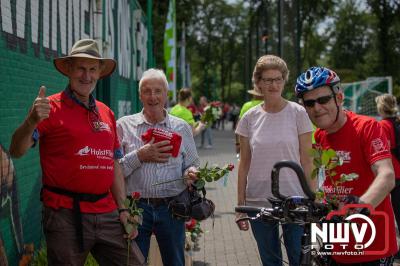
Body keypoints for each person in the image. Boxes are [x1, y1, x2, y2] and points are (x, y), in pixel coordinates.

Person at [8, 39, 144, 265]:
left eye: (92, 69)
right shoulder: (49, 107)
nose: (86, 76)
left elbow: (114, 163)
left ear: (100, 73)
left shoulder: (106, 113)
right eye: (80, 68)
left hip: (106, 211)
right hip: (64, 216)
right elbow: (16, 150)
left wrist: (122, 208)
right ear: (69, 69)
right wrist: (31, 121)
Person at [295, 66, 398, 265]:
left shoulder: (367, 127)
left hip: (373, 245)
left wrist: (361, 205)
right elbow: (317, 178)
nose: (316, 107)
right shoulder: (318, 136)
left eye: (323, 99)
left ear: (339, 98)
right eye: (309, 102)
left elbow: (386, 175)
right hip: (337, 245)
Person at [235, 55, 314, 266]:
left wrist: (315, 198)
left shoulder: (299, 113)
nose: (273, 84)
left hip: (296, 200)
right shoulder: (249, 118)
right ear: (258, 83)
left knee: (299, 257)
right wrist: (240, 206)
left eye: (278, 79)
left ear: (284, 80)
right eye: (268, 80)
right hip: (258, 200)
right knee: (270, 260)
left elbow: (308, 160)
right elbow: (244, 165)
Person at [116, 68, 200, 266]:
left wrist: (191, 173)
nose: (152, 96)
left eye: (158, 91)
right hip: (136, 210)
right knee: (134, 262)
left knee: (175, 262)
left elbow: (192, 163)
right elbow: (115, 171)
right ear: (140, 95)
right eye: (147, 91)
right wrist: (140, 156)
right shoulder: (124, 126)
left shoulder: (181, 127)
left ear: (166, 94)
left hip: (172, 208)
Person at [375, 94, 400, 260]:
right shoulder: (396, 121)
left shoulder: (383, 125)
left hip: (393, 173)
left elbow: (383, 149)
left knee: (392, 212)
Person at [235, 89, 264, 155]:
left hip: (248, 140)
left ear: (254, 95)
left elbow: (238, 126)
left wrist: (237, 143)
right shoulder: (268, 105)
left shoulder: (247, 105)